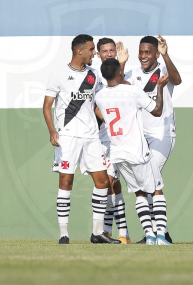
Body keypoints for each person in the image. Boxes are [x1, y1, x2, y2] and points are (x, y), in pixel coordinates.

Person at [43, 34, 120, 244]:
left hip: (91, 136)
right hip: (67, 137)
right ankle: (63, 235)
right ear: (79, 51)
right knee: (66, 182)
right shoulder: (58, 74)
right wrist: (52, 130)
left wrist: (112, 125)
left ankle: (97, 233)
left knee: (102, 181)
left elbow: (96, 105)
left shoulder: (94, 75)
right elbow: (47, 105)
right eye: (91, 49)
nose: (94, 53)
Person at [95, 58, 171, 245]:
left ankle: (150, 236)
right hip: (138, 151)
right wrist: (160, 87)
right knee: (156, 191)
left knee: (139, 193)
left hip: (118, 154)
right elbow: (157, 111)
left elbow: (99, 110)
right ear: (120, 72)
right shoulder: (133, 91)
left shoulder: (100, 96)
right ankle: (160, 235)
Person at [125, 35, 181, 243]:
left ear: (156, 54)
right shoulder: (133, 73)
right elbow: (120, 86)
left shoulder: (165, 71)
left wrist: (167, 56)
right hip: (141, 136)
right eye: (141, 52)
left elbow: (177, 80)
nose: (143, 56)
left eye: (148, 52)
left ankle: (159, 234)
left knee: (150, 180)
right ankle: (156, 233)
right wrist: (121, 63)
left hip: (162, 134)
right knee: (144, 183)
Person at [95, 37, 131, 243]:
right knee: (108, 185)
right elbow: (95, 105)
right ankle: (113, 231)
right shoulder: (94, 77)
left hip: (115, 138)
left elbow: (122, 92)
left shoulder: (121, 74)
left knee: (111, 182)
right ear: (98, 54)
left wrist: (123, 65)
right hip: (98, 138)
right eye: (104, 51)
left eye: (111, 50)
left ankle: (121, 232)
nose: (109, 53)